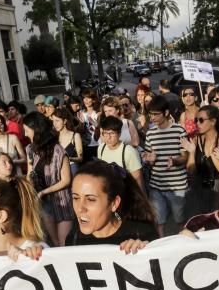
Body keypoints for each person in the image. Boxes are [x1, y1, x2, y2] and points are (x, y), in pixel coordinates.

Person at [66, 160, 158, 248]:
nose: (80, 208)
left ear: (114, 203)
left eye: (90, 199)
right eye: (76, 198)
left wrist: (147, 251)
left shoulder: (143, 234)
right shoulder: (73, 239)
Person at [23, 112, 72, 247]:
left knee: (63, 244)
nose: (25, 134)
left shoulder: (58, 151)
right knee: (53, 243)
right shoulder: (30, 149)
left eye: (27, 130)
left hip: (62, 203)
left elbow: (66, 180)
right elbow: (29, 173)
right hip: (43, 205)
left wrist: (44, 192)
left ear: (37, 130)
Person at [142, 97, 189, 237]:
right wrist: (150, 160)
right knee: (159, 222)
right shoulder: (150, 134)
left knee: (180, 221)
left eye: (156, 114)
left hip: (177, 186)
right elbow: (149, 159)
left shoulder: (179, 131)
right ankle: (161, 250)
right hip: (156, 186)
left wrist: (174, 161)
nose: (153, 117)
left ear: (166, 112)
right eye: (151, 114)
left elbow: (185, 157)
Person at [182, 105, 219, 217]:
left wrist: (213, 156)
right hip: (198, 189)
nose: (197, 123)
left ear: (213, 121)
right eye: (196, 120)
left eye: (201, 120)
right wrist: (191, 152)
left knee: (216, 224)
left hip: (218, 190)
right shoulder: (196, 139)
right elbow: (191, 171)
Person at [96, 116, 144, 190]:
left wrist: (141, 199)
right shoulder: (101, 148)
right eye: (105, 133)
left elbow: (138, 180)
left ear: (119, 134)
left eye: (112, 133)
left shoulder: (129, 151)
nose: (108, 137)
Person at [79, 89, 102, 162]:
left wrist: (97, 127)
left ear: (94, 100)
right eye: (84, 98)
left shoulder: (98, 113)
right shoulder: (81, 113)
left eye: (88, 98)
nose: (85, 100)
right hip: (85, 146)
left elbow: (99, 135)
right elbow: (81, 132)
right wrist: (82, 124)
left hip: (97, 145)